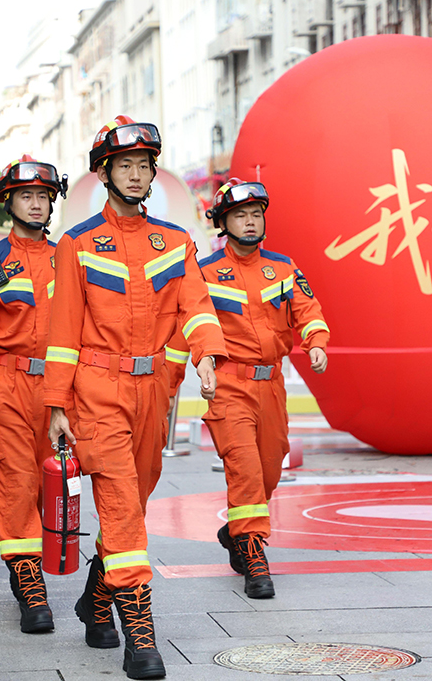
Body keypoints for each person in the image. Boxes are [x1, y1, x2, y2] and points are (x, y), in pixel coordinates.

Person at [45, 115, 227, 680]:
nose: (135, 174)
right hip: (98, 391)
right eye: (123, 165)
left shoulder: (175, 242)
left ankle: (95, 601)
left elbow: (196, 306)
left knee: (134, 503)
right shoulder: (77, 245)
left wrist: (206, 355)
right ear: (104, 174)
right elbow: (62, 331)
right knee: (122, 505)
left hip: (153, 392)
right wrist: (57, 405)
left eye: (143, 165)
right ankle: (140, 635)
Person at [167, 178, 330, 600]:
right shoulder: (203, 273)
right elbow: (187, 326)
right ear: (223, 223)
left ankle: (236, 532)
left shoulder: (283, 267)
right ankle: (255, 555)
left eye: (256, 214)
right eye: (240, 215)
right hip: (229, 385)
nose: (251, 222)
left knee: (270, 468)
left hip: (271, 386)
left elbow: (308, 310)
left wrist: (316, 342)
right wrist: (177, 376)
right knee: (245, 470)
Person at [0, 155, 67, 634]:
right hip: (5, 384)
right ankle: (29, 583)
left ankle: (38, 558)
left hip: (59, 387)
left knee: (53, 483)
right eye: (27, 196)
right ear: (9, 202)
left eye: (43, 196)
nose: (37, 205)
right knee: (18, 482)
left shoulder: (69, 258)